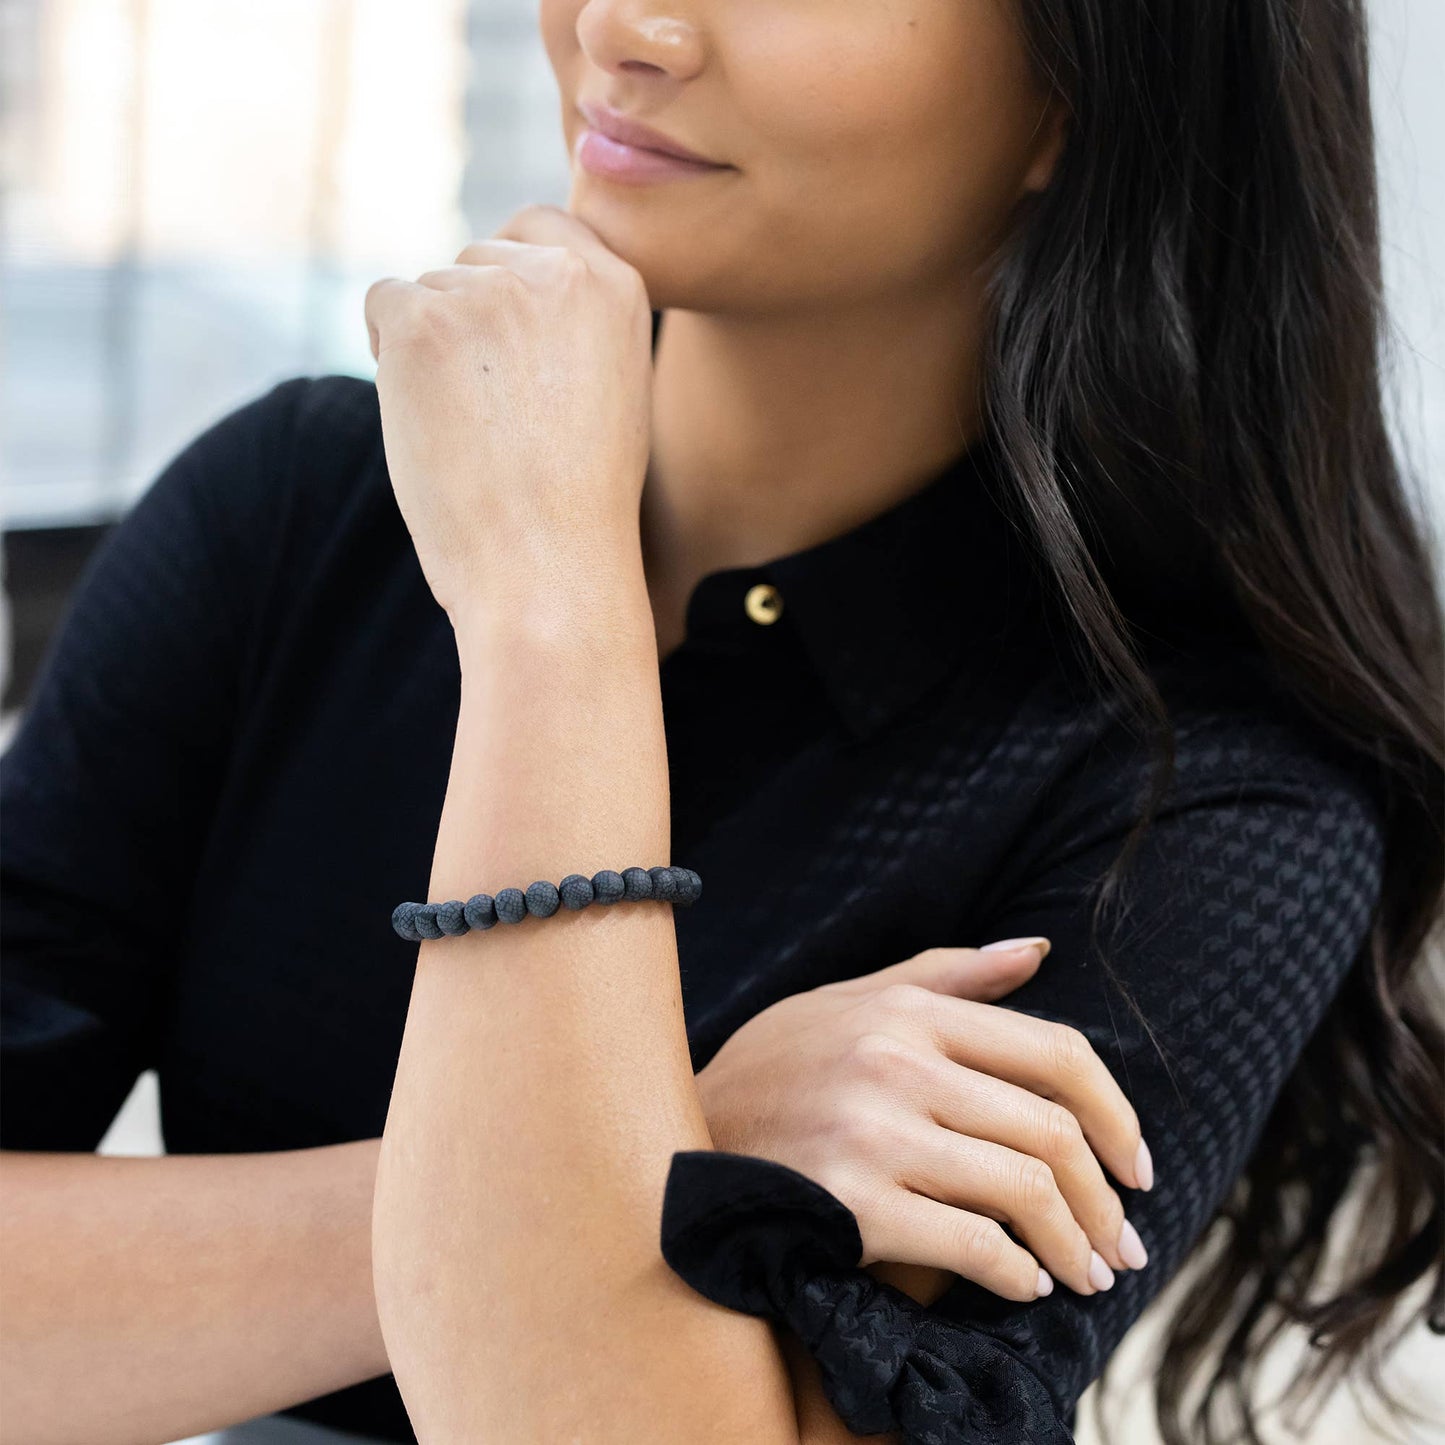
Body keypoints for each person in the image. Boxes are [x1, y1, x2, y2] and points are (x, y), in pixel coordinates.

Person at [2, 0, 1441, 1440]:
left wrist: (550, 614)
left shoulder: (1209, 795)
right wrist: (682, 1145)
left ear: (1083, 95)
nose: (626, 27)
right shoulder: (294, 511)